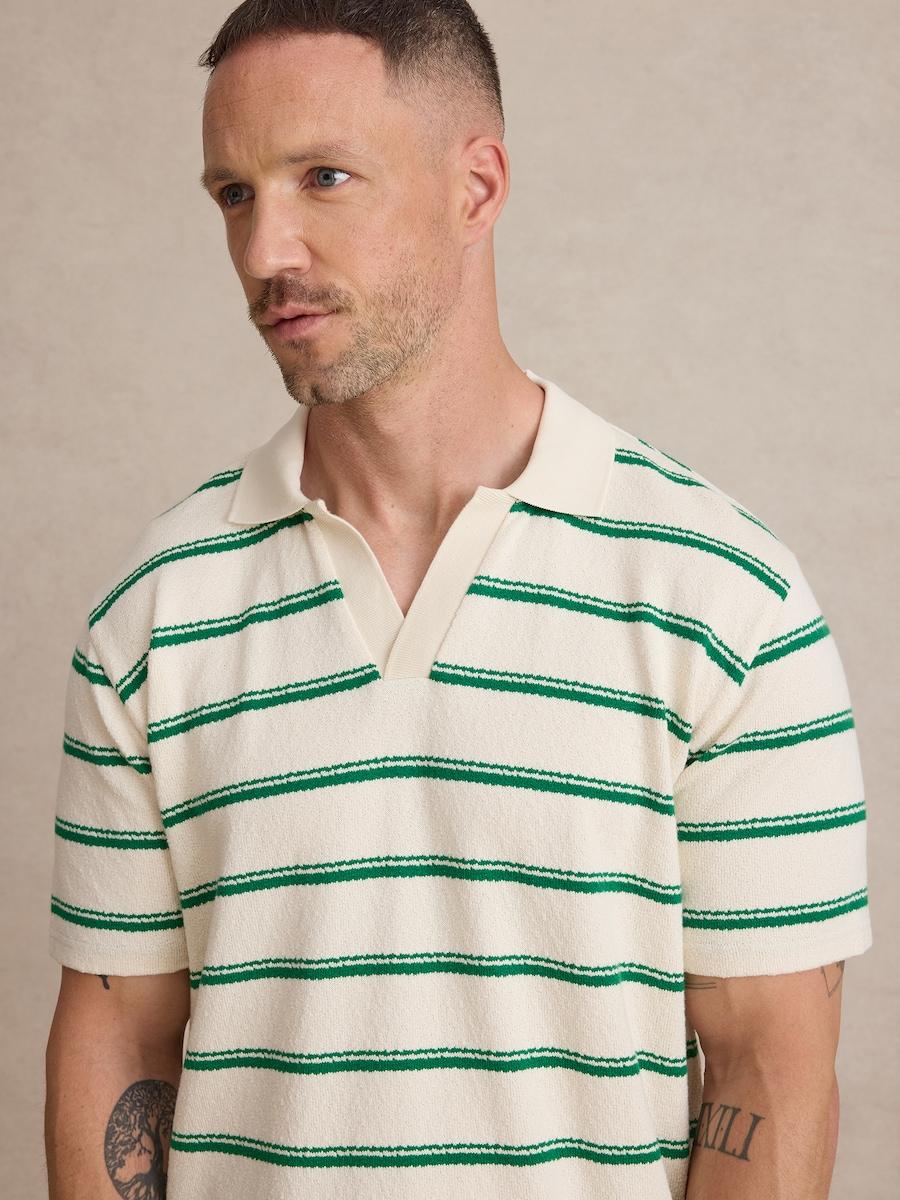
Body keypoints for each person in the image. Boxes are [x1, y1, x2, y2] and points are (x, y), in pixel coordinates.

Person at [43, 2, 872, 1198]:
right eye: (233, 194)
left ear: (476, 188)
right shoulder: (151, 617)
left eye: (323, 177)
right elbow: (119, 1040)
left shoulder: (724, 599)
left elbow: (769, 1070)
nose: (267, 249)